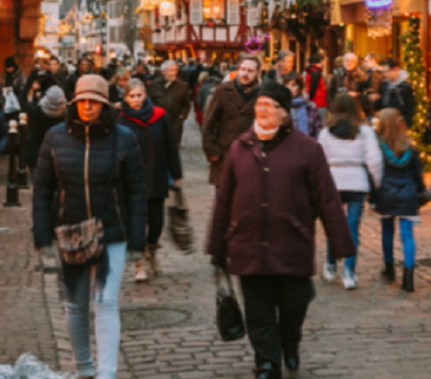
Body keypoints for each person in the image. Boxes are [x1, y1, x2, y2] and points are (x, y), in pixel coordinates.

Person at [206, 82, 356, 379]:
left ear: (284, 114)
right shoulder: (239, 148)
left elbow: (326, 198)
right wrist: (217, 245)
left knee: (294, 306)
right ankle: (267, 363)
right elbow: (225, 199)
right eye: (259, 105)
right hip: (248, 245)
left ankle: (290, 343)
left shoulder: (308, 150)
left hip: (292, 245)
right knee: (258, 311)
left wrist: (340, 244)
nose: (261, 110)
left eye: (269, 106)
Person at [33, 75, 146, 379]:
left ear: (105, 104)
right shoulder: (55, 137)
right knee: (75, 303)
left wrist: (138, 241)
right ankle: (83, 369)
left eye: (94, 101)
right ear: (74, 103)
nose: (87, 107)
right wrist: (41, 233)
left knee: (106, 300)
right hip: (71, 232)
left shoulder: (124, 139)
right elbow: (42, 187)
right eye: (82, 101)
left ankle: (106, 373)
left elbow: (136, 192)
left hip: (112, 233)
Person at [117, 79, 183, 283]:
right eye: (132, 96)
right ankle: (141, 262)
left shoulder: (159, 116)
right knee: (137, 224)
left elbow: (170, 145)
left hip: (156, 176)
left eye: (139, 95)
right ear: (126, 98)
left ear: (145, 94)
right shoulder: (120, 120)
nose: (136, 100)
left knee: (156, 223)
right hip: (132, 180)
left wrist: (177, 173)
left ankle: (152, 250)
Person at [316, 92, 382, 290]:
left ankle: (330, 264)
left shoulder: (326, 133)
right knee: (352, 229)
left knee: (333, 226)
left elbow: (319, 161)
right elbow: (375, 161)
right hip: (357, 183)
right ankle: (349, 273)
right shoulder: (364, 131)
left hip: (333, 183)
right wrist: (376, 185)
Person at [372, 107, 426, 292]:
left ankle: (389, 269)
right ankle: (408, 278)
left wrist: (374, 194)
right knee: (407, 235)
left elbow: (376, 171)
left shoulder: (379, 146)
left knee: (387, 231)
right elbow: (418, 173)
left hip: (386, 192)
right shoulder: (411, 147)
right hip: (407, 193)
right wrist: (420, 191)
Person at [201, 55, 261, 186]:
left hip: (250, 154)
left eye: (250, 71)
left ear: (258, 73)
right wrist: (212, 152)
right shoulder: (223, 90)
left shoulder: (261, 94)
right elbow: (209, 123)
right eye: (243, 69)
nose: (245, 74)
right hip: (225, 153)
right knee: (223, 198)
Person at [24, 86, 68, 174]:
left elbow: (22, 99)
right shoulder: (64, 114)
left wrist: (31, 78)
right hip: (56, 154)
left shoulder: (37, 111)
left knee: (38, 182)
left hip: (35, 153)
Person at [149, 60, 192, 146]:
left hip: (175, 121)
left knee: (173, 146)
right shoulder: (154, 84)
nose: (174, 73)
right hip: (158, 121)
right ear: (163, 72)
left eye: (175, 70)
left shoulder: (182, 85)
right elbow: (149, 101)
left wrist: (183, 115)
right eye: (171, 70)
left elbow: (187, 104)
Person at [327, 52, 379, 117]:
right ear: (343, 62)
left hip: (356, 112)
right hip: (339, 112)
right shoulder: (337, 76)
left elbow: (366, 95)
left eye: (351, 61)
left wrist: (357, 95)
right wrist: (332, 108)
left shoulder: (362, 77)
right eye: (346, 61)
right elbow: (331, 93)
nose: (348, 63)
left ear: (356, 63)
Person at [379, 57, 416, 128]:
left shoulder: (405, 86)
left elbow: (410, 107)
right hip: (385, 123)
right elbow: (381, 105)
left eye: (386, 71)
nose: (384, 74)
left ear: (396, 69)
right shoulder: (384, 85)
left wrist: (405, 124)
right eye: (382, 72)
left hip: (399, 124)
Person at [283, 73, 322, 137]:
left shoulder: (310, 106)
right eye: (286, 85)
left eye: (293, 85)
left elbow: (318, 129)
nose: (289, 88)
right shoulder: (281, 106)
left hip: (308, 144)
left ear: (299, 87)